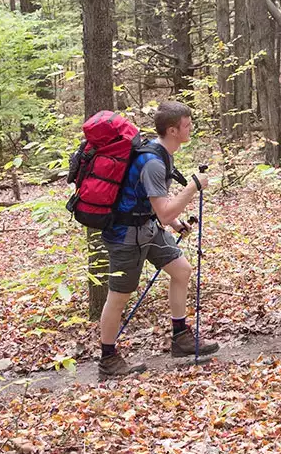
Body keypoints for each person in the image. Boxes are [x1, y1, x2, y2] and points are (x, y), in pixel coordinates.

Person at [94, 101, 219, 377]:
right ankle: (108, 358)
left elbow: (155, 205)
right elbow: (163, 211)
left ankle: (180, 337)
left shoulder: (162, 154)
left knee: (182, 270)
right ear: (173, 130)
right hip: (126, 236)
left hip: (146, 228)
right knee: (119, 296)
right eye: (187, 125)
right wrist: (192, 188)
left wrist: (176, 223)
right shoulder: (153, 162)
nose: (191, 128)